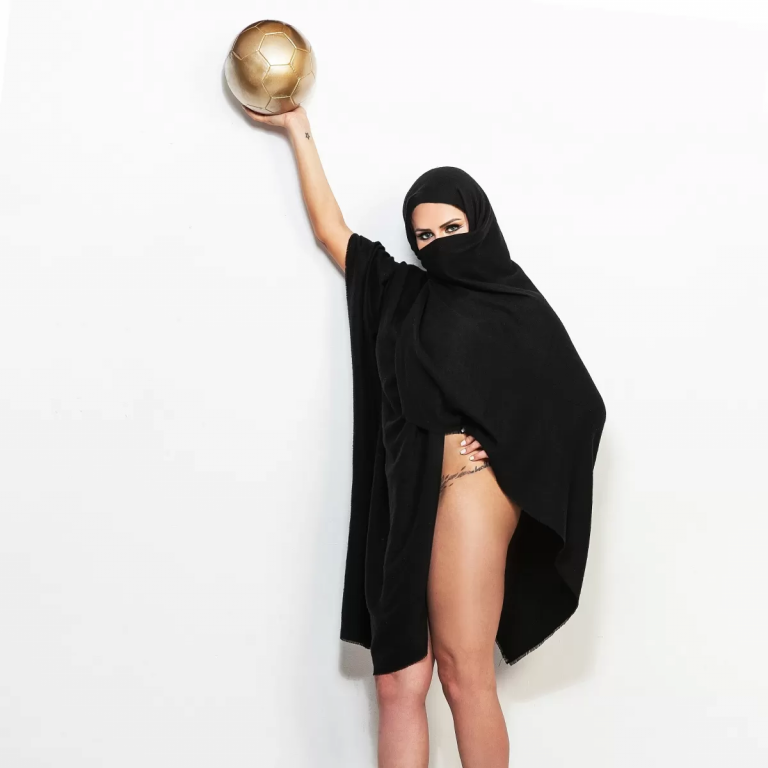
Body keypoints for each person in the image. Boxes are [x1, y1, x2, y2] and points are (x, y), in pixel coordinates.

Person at [243, 104, 606, 768]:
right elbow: (331, 232)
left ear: (479, 223)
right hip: (401, 493)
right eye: (425, 235)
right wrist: (297, 129)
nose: (439, 244)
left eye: (452, 228)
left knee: (463, 675)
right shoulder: (402, 293)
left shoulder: (513, 303)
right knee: (397, 682)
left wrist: (501, 450)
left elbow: (581, 406)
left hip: (470, 491)